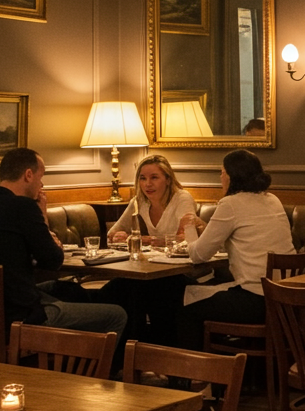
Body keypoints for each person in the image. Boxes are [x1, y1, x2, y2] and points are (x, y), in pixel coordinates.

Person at [0, 148, 126, 341]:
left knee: (63, 289)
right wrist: (44, 220)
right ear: (28, 175)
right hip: (15, 319)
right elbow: (53, 260)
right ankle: (98, 370)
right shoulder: (23, 207)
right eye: (41, 176)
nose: (41, 184)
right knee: (116, 315)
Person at [175, 150, 294, 351]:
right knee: (195, 292)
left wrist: (188, 227)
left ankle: (190, 376)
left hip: (257, 301)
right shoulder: (272, 199)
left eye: (222, 172)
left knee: (183, 309)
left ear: (230, 176)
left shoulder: (231, 204)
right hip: (285, 299)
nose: (220, 177)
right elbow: (245, 240)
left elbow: (197, 255)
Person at [101, 154, 201, 345]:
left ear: (168, 179)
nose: (148, 184)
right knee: (123, 287)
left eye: (154, 177)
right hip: (152, 271)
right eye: (142, 178)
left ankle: (154, 353)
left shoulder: (182, 198)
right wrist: (121, 236)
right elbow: (112, 233)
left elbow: (184, 238)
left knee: (144, 290)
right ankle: (129, 353)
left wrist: (146, 240)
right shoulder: (139, 201)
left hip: (181, 272)